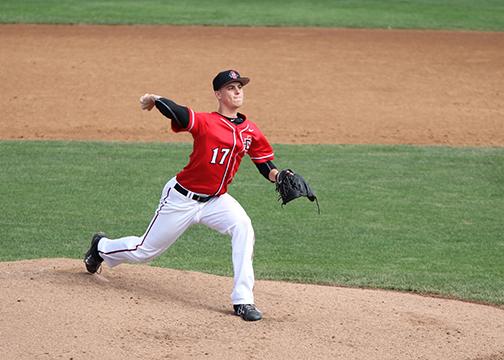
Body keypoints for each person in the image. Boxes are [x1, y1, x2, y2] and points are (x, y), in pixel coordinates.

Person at [84, 70, 282, 321]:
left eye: (240, 86)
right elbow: (179, 113)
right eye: (231, 87)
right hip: (182, 199)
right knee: (145, 251)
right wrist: (157, 99)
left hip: (216, 200)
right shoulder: (205, 121)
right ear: (218, 94)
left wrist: (279, 175)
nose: (238, 91)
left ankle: (243, 301)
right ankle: (101, 247)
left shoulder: (250, 130)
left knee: (243, 227)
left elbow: (264, 162)